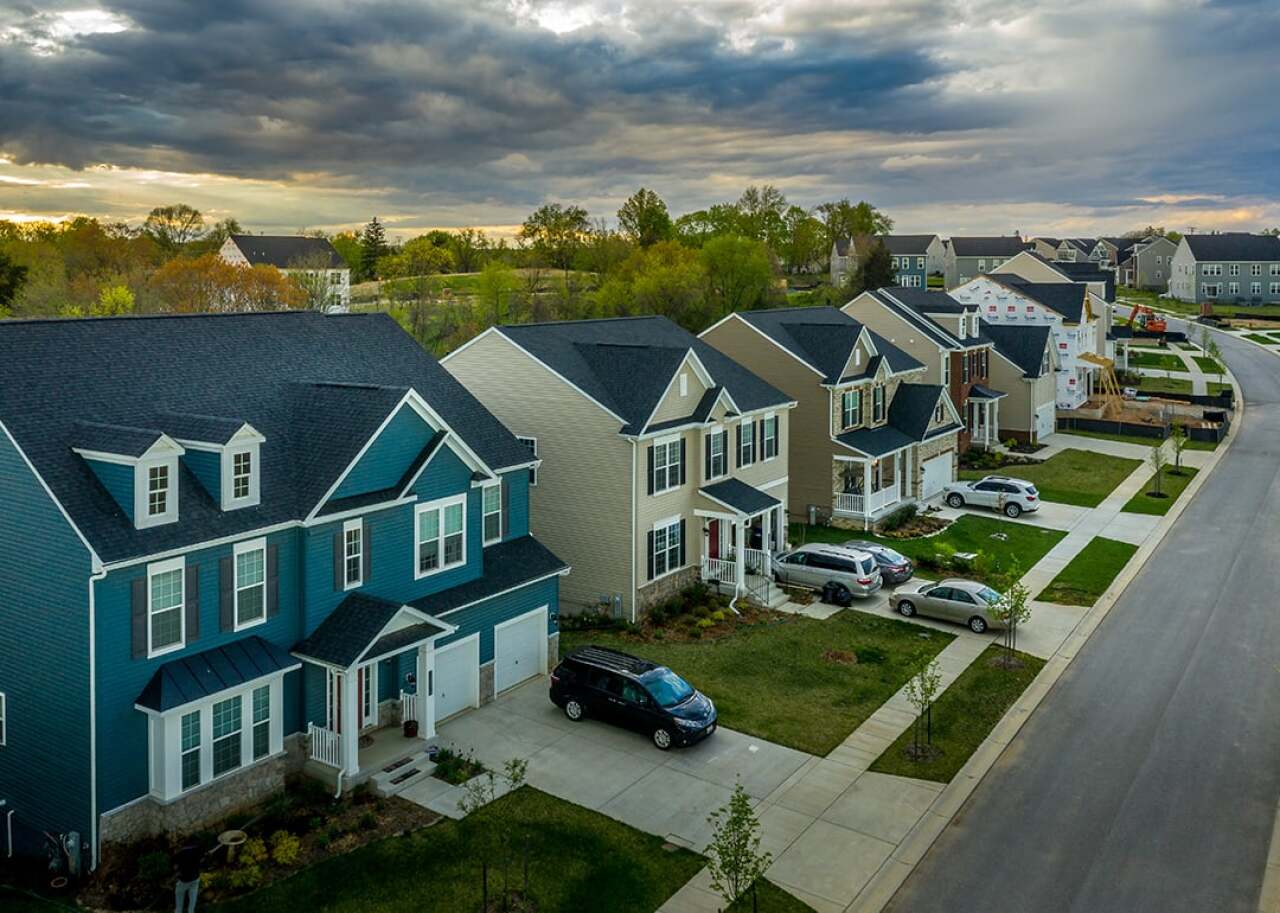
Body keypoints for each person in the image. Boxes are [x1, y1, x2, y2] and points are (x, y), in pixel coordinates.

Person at [174, 844, 202, 913]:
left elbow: (177, 869)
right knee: (192, 901)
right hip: (195, 879)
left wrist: (177, 873)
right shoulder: (196, 850)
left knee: (179, 900)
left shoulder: (180, 854)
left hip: (184, 881)